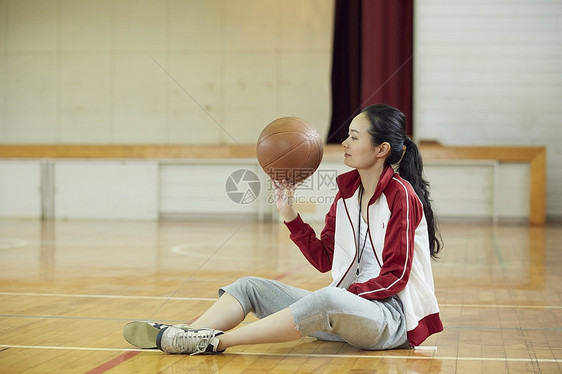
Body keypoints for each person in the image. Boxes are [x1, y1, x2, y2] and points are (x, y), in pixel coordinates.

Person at [123, 104, 444, 355]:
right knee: (250, 286)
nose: (344, 142)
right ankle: (184, 334)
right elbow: (324, 258)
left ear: (381, 149)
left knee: (326, 299)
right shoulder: (347, 193)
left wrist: (343, 296)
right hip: (345, 308)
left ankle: (215, 342)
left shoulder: (401, 195)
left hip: (389, 320)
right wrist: (289, 214)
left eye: (354, 137)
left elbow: (396, 276)